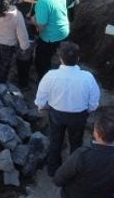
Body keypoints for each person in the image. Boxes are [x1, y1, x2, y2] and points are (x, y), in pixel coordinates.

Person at [35, 41, 100, 176]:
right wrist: (89, 110)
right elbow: (94, 101)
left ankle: (53, 170)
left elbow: (41, 97)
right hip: (79, 116)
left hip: (57, 114)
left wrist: (41, 107)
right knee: (76, 144)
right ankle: (73, 171)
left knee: (55, 141)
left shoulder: (50, 75)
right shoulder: (87, 77)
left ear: (60, 58)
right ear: (78, 58)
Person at [27, 0, 70, 78]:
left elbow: (41, 27)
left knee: (41, 59)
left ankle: (44, 78)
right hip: (65, 29)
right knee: (59, 52)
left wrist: (32, 20)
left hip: (50, 36)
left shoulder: (43, 2)